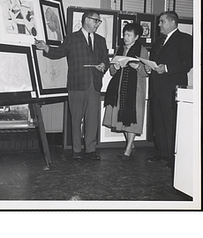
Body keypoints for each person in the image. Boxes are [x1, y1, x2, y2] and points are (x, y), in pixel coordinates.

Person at [35, 10, 109, 160]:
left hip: (94, 85)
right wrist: (46, 48)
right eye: (96, 21)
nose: (98, 24)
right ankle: (76, 150)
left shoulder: (101, 40)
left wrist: (103, 65)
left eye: (98, 22)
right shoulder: (72, 38)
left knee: (92, 119)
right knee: (76, 118)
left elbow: (105, 59)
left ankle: (90, 149)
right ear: (87, 20)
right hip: (76, 85)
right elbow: (59, 53)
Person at [146, 11, 193, 169]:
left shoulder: (184, 39)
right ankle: (162, 153)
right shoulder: (158, 41)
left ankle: (174, 158)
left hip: (171, 88)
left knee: (171, 122)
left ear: (172, 23)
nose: (159, 25)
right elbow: (155, 62)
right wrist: (149, 68)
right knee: (158, 121)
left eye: (162, 22)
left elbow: (187, 62)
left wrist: (166, 68)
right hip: (157, 88)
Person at [102, 23, 149, 160]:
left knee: (132, 119)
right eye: (124, 34)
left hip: (135, 90)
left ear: (136, 37)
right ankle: (131, 144)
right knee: (121, 118)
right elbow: (111, 71)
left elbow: (146, 72)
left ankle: (128, 150)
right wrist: (115, 66)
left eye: (129, 35)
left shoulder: (142, 50)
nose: (125, 37)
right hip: (118, 88)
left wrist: (137, 67)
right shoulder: (120, 49)